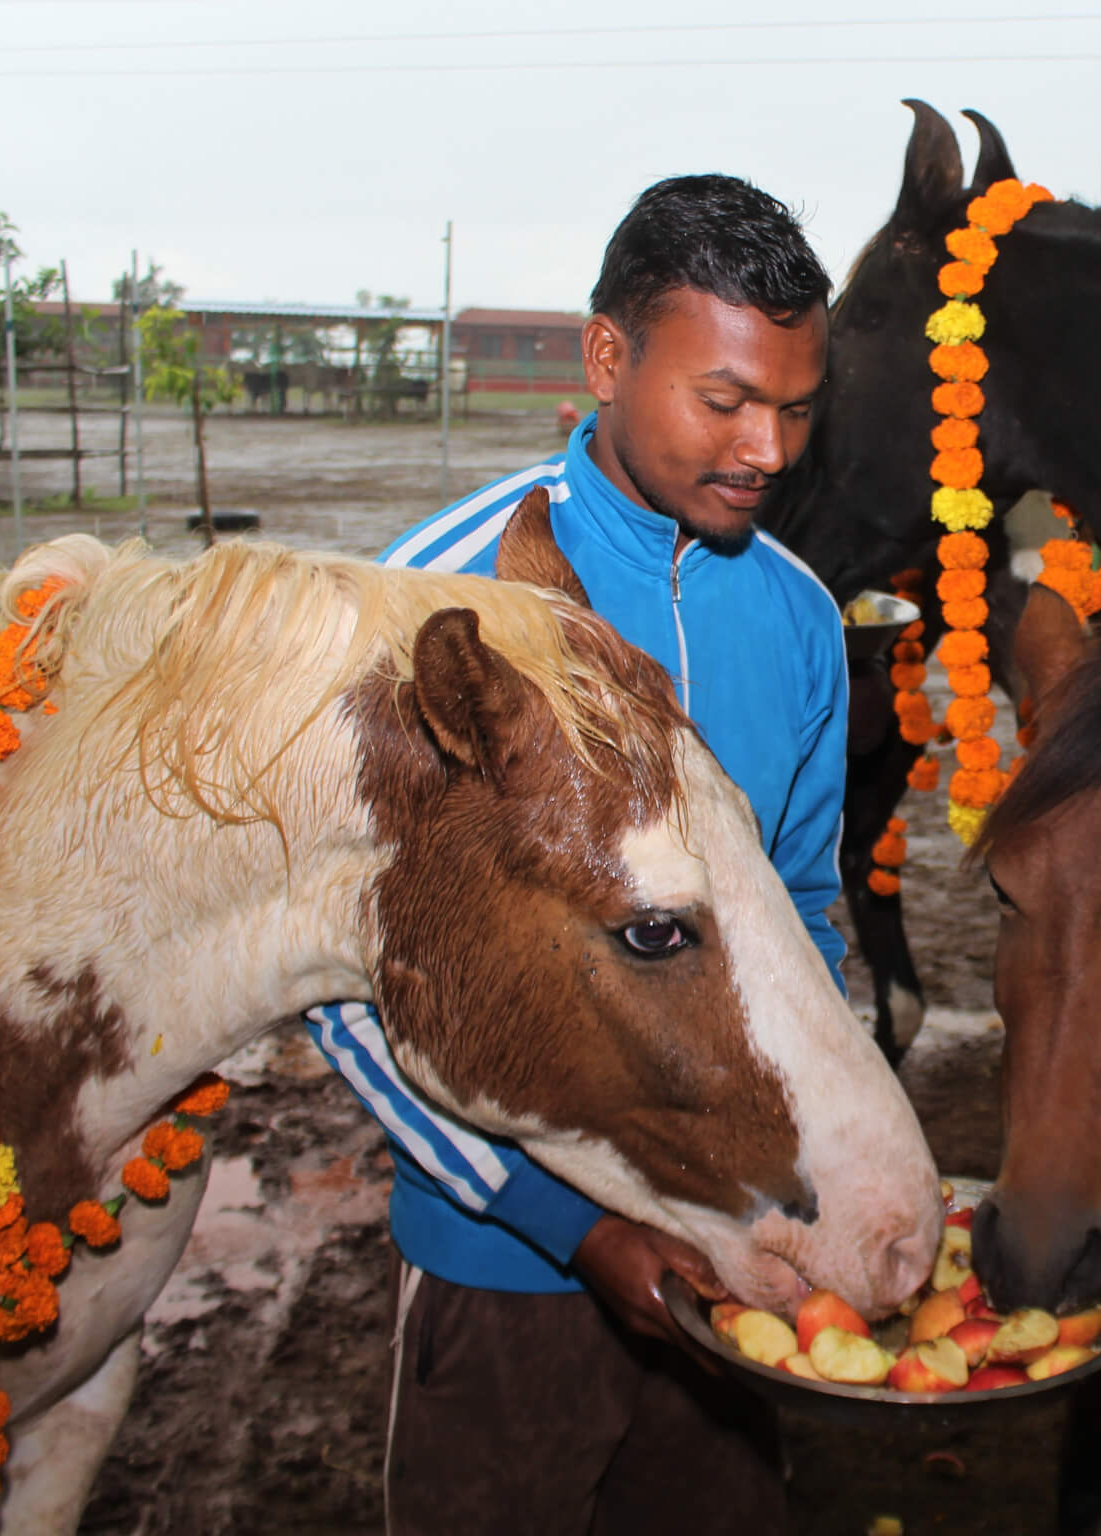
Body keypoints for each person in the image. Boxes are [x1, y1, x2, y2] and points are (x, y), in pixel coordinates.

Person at [307, 174, 845, 1536]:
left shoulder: (802, 620)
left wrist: (833, 1172)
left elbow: (810, 916)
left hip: (743, 1259)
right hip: (507, 1281)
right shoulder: (435, 605)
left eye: (795, 406)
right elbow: (339, 987)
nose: (768, 448)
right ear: (609, 355)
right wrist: (573, 1229)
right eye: (724, 401)